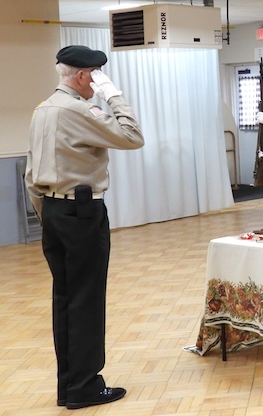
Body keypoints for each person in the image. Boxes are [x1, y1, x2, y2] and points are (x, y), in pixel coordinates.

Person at [25, 45, 144, 409]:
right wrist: (115, 96)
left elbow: (31, 174)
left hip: (53, 212)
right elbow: (132, 136)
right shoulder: (79, 109)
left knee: (65, 300)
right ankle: (86, 387)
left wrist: (50, 216)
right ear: (82, 76)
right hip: (81, 212)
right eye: (96, 76)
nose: (98, 83)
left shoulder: (43, 109)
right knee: (87, 301)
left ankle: (69, 386)